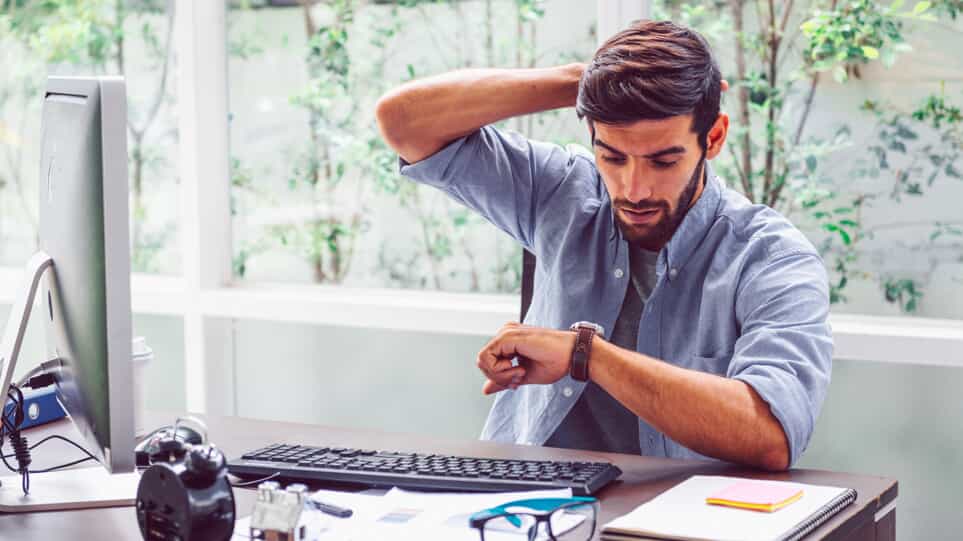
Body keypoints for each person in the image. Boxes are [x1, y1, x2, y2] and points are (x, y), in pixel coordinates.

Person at [374, 19, 832, 471]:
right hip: (523, 507)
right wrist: (585, 79)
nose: (633, 189)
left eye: (663, 160)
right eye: (612, 156)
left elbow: (772, 434)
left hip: (673, 521)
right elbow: (404, 121)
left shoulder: (771, 257)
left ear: (712, 137)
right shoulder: (564, 191)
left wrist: (585, 355)